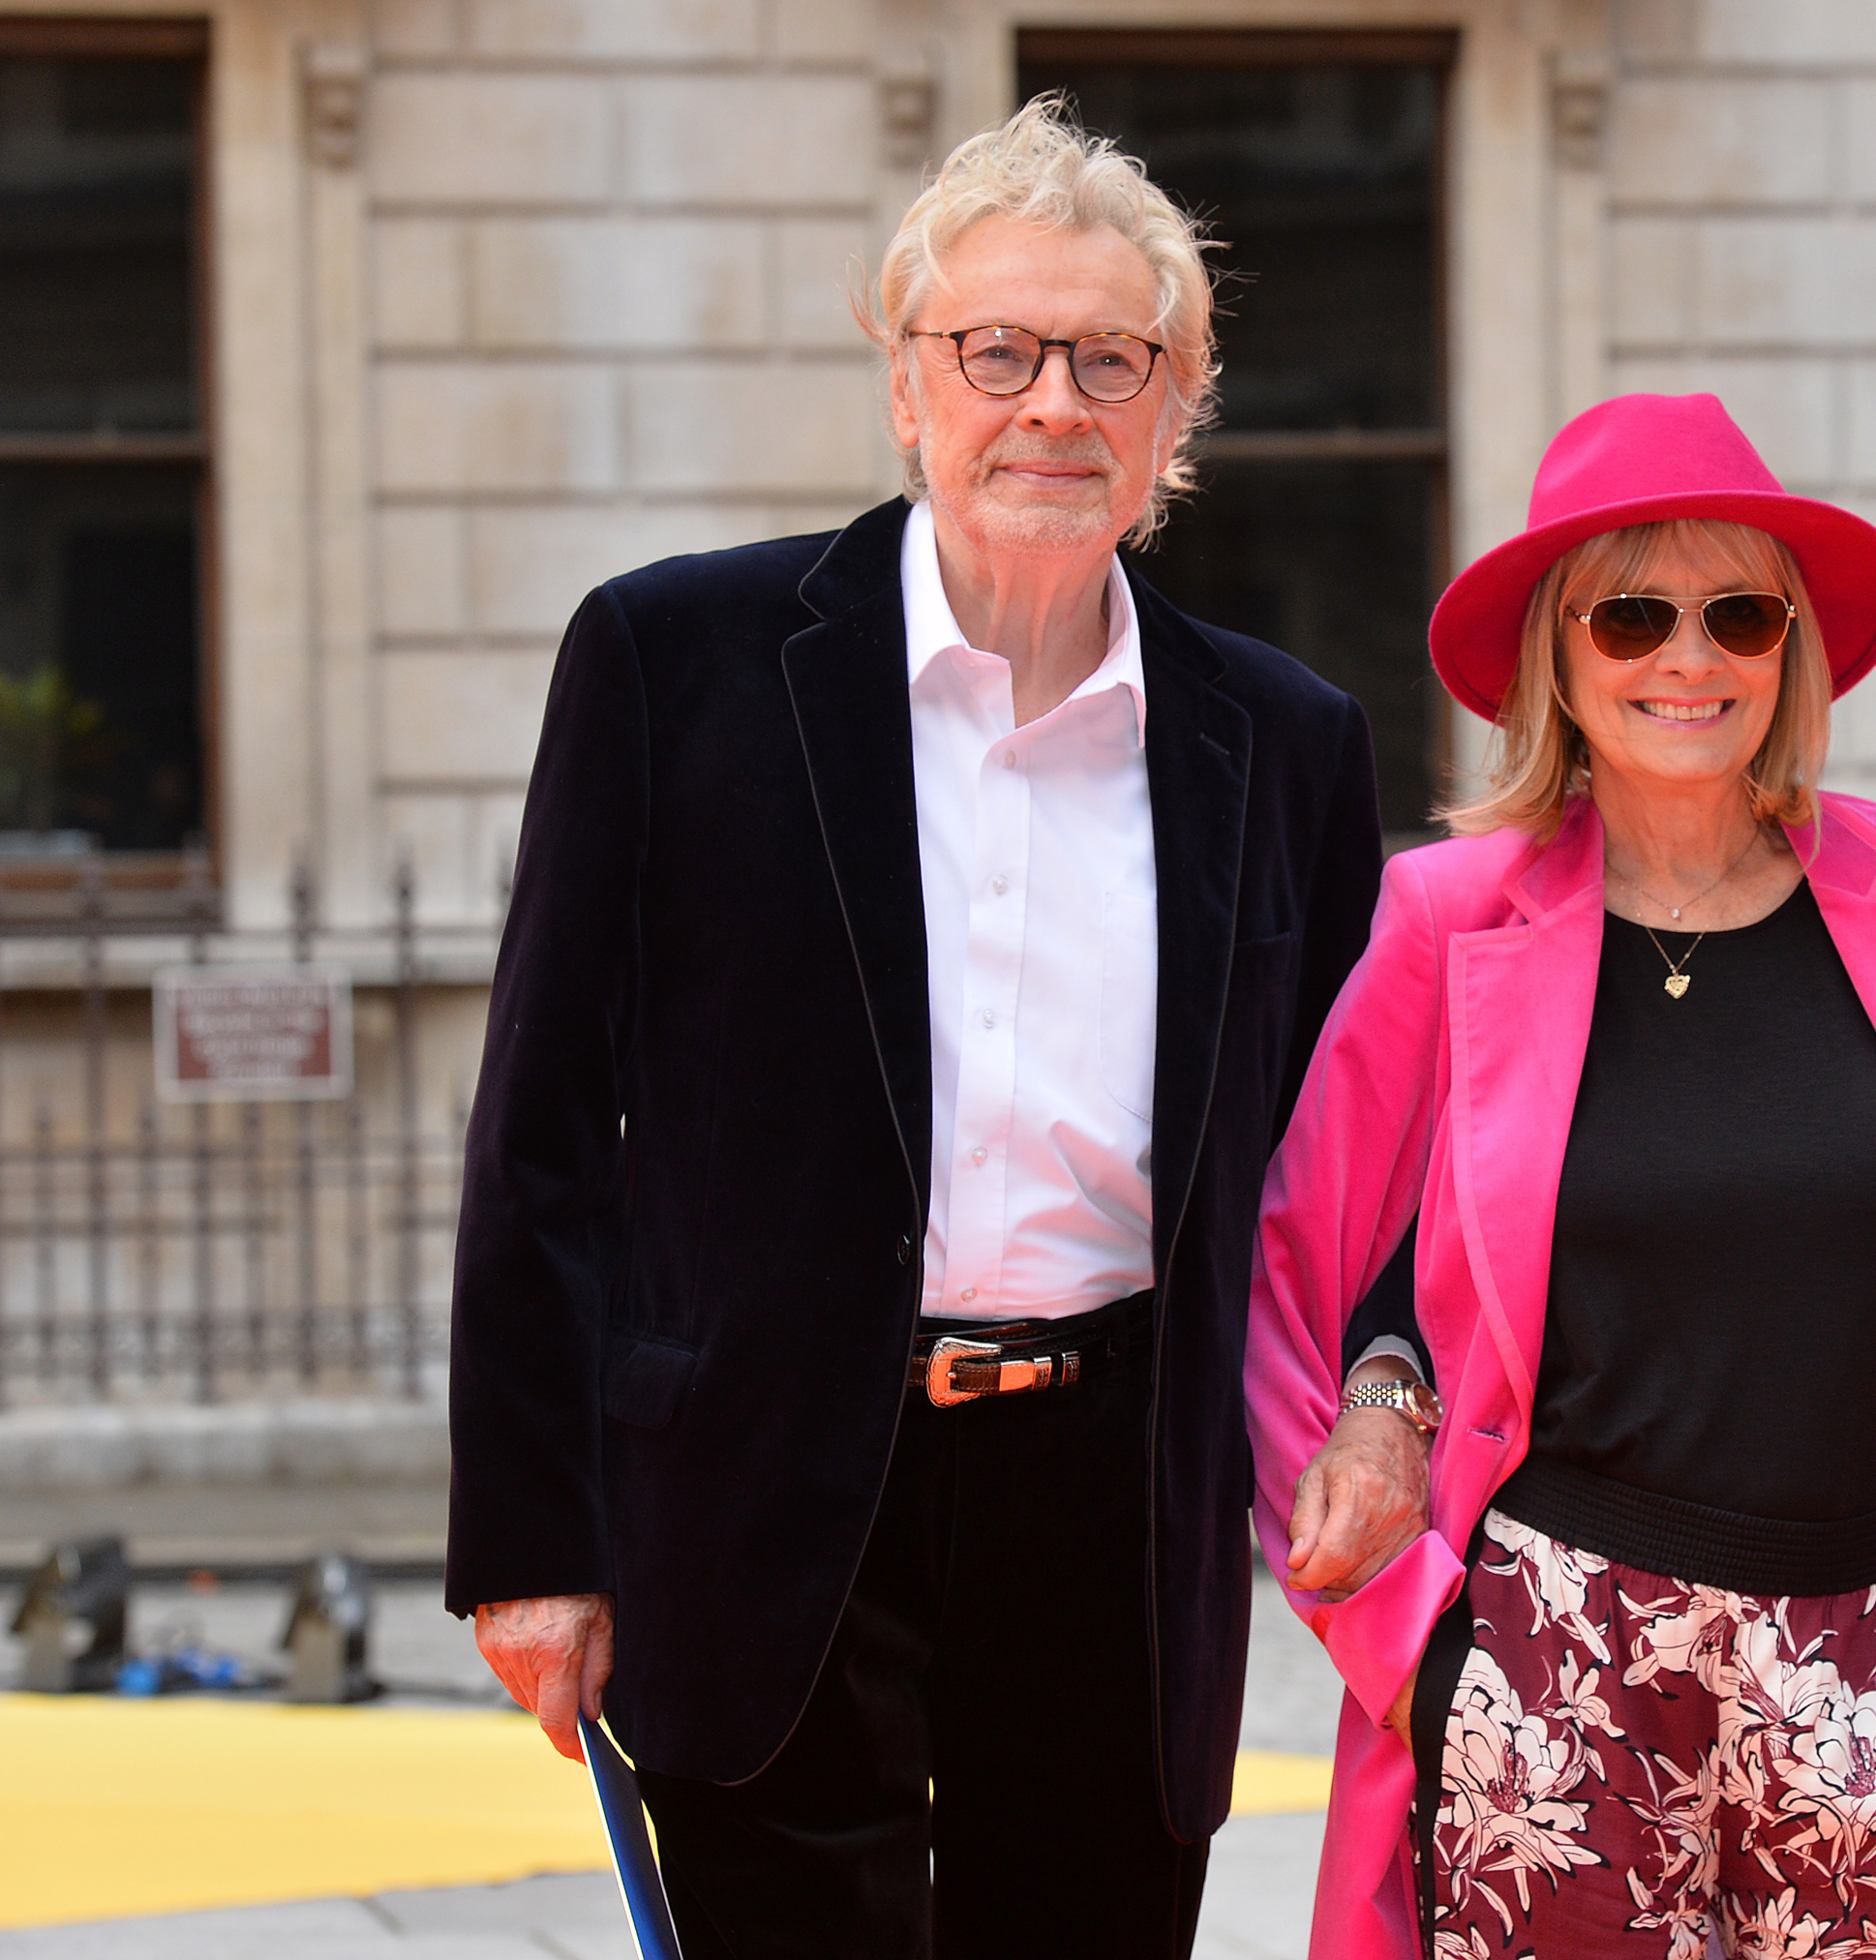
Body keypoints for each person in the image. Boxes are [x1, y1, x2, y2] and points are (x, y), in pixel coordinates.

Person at [443, 99, 1387, 1957]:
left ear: (1177, 409)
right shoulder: (673, 660)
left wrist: (1384, 1392)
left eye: (1111, 359)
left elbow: (1356, 1155)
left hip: (1113, 1515)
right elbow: (541, 1128)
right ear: (907, 381)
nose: (1053, 402)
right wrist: (533, 1541)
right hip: (764, 1488)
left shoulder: (1283, 740)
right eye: (999, 351)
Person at [1249, 392, 1876, 1960]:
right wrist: (1413, 1651)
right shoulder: (1451, 918)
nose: (1688, 656)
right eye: (1632, 613)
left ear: (1789, 648)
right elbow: (1296, 1295)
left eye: (1740, 612)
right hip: (1552, 1678)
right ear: (1557, 660)